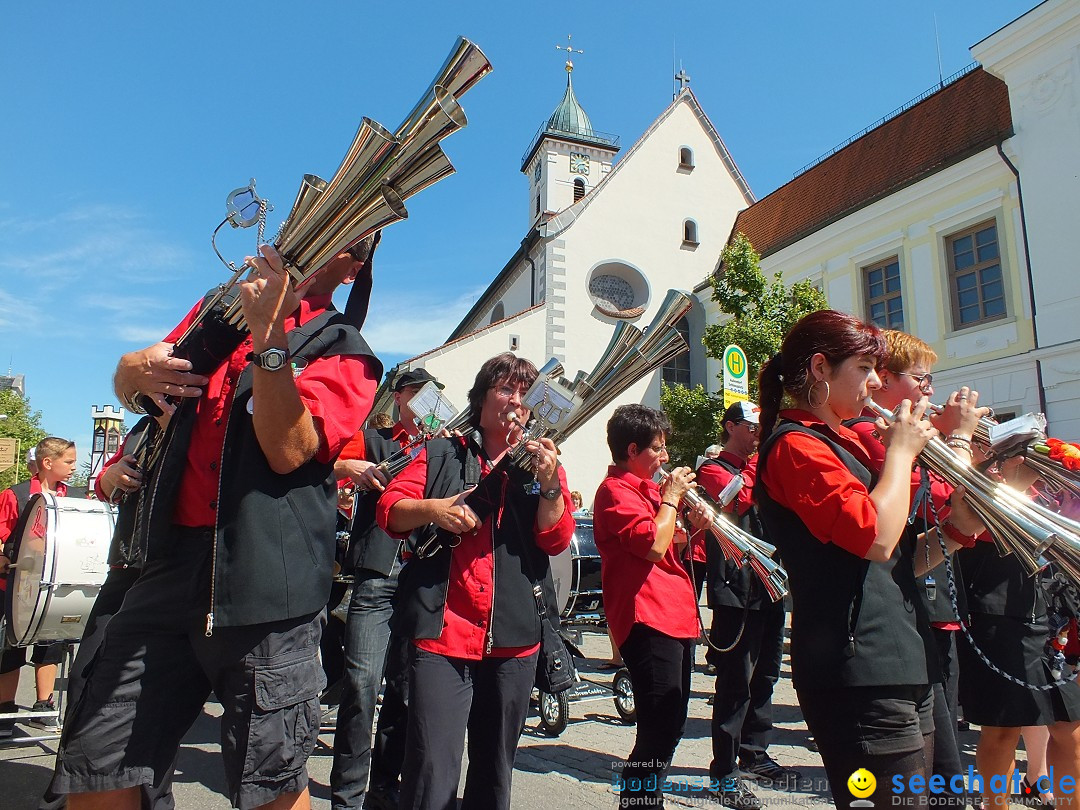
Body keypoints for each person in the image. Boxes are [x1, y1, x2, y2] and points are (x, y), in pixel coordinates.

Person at [52, 241, 380, 810]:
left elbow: (287, 449)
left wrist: (271, 339)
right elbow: (143, 386)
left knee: (270, 785)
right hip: (169, 565)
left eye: (352, 246)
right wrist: (128, 372)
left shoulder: (346, 348)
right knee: (99, 765)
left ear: (354, 268)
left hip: (266, 584)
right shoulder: (219, 307)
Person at [753, 309, 983, 810]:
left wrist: (958, 529)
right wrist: (901, 454)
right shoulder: (796, 446)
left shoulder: (844, 440)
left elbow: (895, 559)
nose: (876, 382)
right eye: (864, 368)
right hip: (858, 671)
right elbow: (876, 537)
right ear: (819, 368)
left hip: (902, 656)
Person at [377, 352, 574, 810]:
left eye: (525, 394)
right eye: (506, 390)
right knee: (430, 770)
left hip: (515, 639)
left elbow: (555, 538)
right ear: (481, 401)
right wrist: (436, 509)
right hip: (442, 637)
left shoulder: (545, 463)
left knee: (494, 770)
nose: (516, 402)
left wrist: (549, 485)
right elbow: (391, 510)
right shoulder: (442, 452)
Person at [845, 329, 981, 805]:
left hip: (920, 610)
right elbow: (896, 526)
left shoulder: (904, 439)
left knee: (945, 775)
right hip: (887, 623)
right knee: (934, 777)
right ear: (882, 381)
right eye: (920, 378)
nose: (929, 387)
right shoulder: (869, 434)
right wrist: (958, 438)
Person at [330, 367, 445, 810]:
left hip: (421, 574)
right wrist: (351, 469)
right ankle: (347, 795)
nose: (423, 403)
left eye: (430, 395)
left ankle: (384, 784)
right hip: (377, 570)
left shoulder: (442, 449)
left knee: (403, 687)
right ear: (397, 399)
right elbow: (332, 469)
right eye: (415, 394)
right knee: (361, 683)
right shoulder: (375, 439)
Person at [592, 404, 707, 809]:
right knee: (657, 725)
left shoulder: (649, 493)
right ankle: (639, 800)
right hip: (646, 616)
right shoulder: (615, 491)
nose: (664, 458)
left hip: (674, 614)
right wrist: (673, 498)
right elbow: (654, 544)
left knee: (672, 723)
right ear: (632, 449)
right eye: (657, 449)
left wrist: (695, 525)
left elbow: (671, 542)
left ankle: (644, 798)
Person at [956, 453, 1080, 808]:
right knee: (1003, 729)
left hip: (1044, 610)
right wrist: (1011, 484)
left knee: (1070, 727)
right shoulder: (960, 466)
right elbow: (966, 528)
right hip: (996, 611)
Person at [697, 400, 798, 808]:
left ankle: (755, 753)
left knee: (767, 675)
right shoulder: (713, 467)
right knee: (735, 682)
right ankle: (723, 770)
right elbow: (737, 500)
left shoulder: (760, 465)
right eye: (752, 426)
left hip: (769, 584)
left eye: (761, 426)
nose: (758, 432)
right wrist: (767, 457)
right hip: (735, 590)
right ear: (730, 426)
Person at [0, 436, 81, 737]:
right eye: (69, 462)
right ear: (48, 463)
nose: (74, 468)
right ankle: (5, 709)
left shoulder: (75, 497)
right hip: (13, 585)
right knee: (9, 647)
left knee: (50, 645)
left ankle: (42, 707)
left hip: (53, 586)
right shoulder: (16, 494)